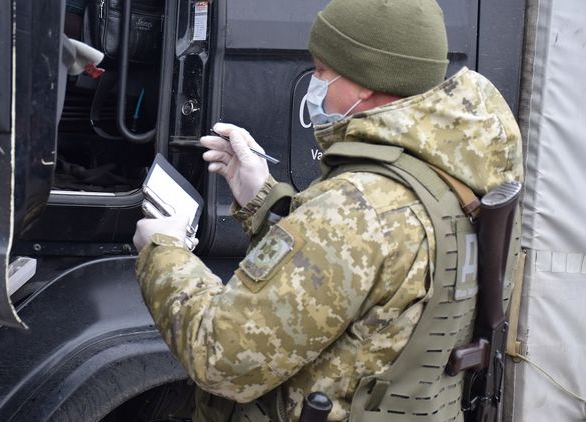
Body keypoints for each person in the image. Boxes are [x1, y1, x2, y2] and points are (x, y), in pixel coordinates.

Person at [132, 0, 523, 420]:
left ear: (367, 83)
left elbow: (222, 358)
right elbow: (350, 285)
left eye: (321, 70)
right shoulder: (457, 174)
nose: (314, 84)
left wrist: (163, 251)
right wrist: (262, 198)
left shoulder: (357, 208)